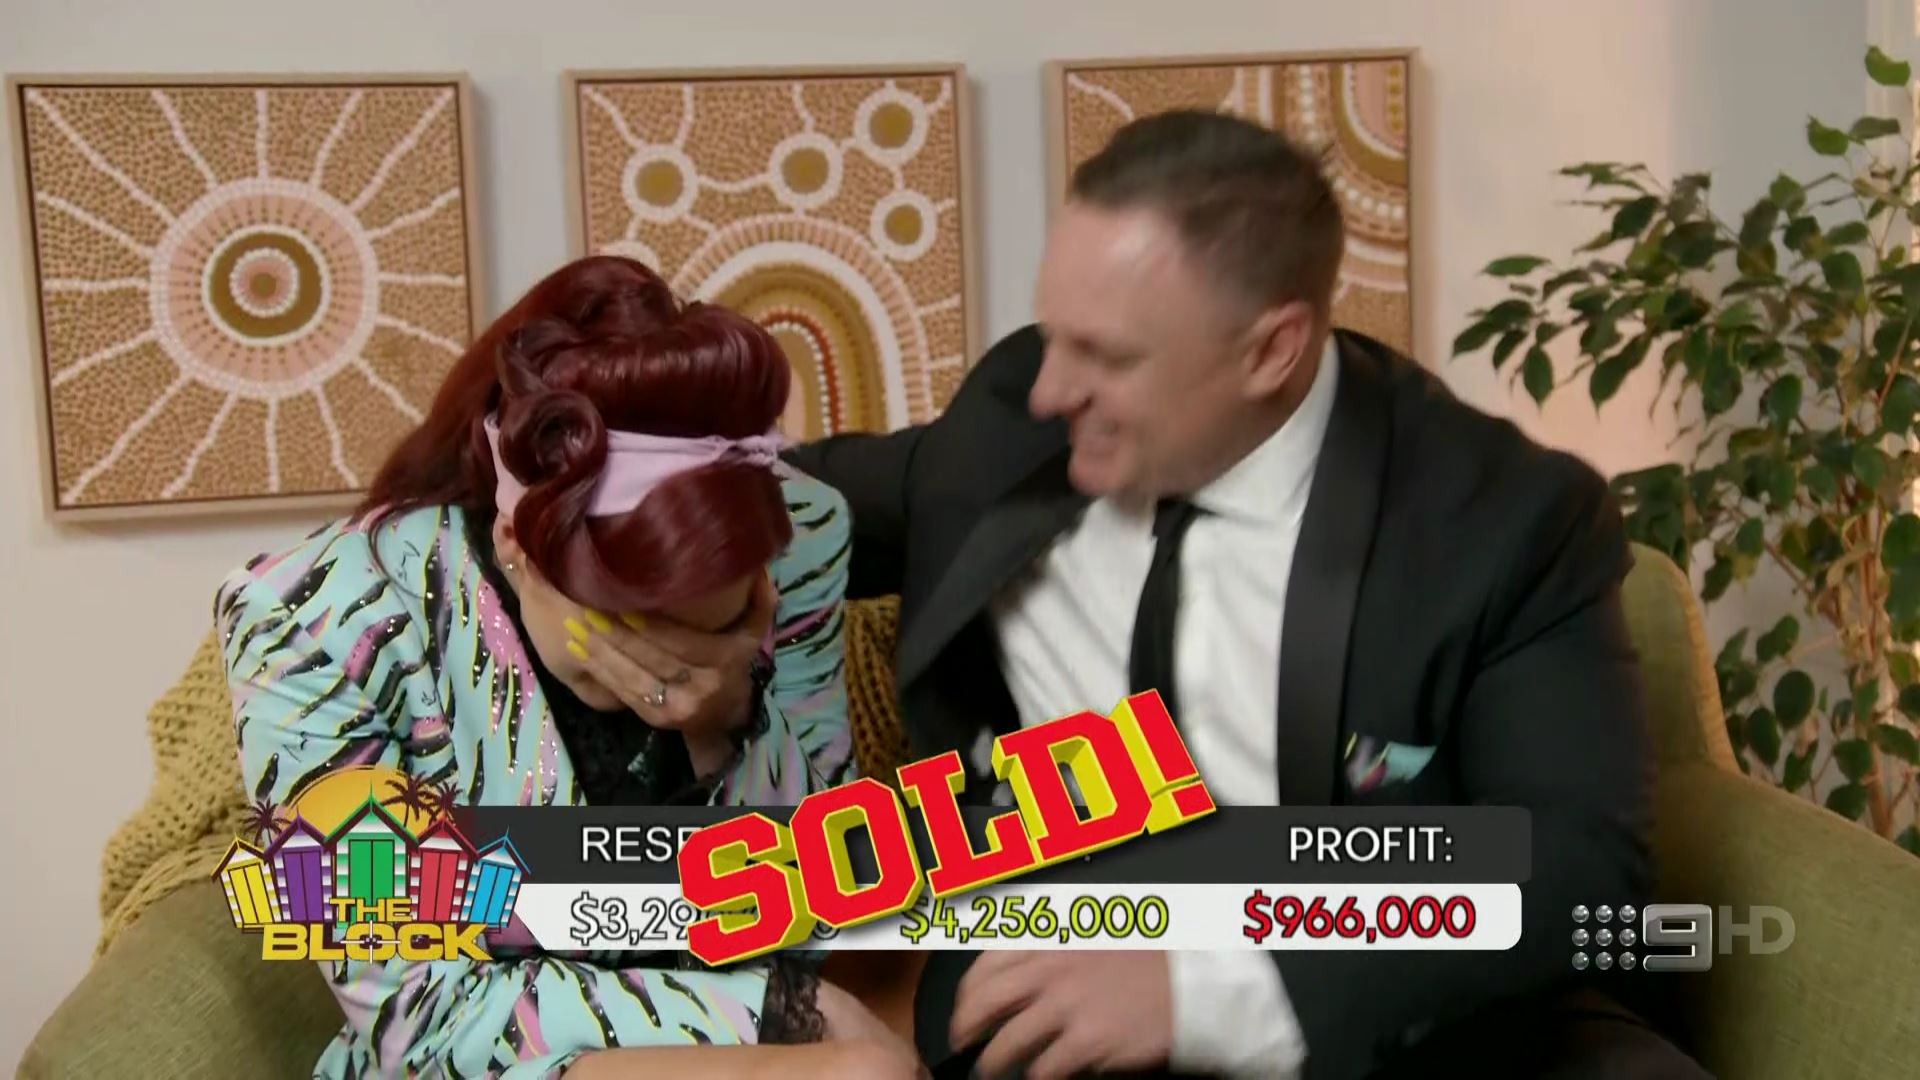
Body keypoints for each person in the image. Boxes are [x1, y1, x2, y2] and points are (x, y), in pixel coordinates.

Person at [773, 112, 1711, 1078]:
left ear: (1271, 351)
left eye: (1111, 356)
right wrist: (667, 601)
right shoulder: (1013, 421)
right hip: (1048, 977)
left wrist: (1209, 995)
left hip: (1376, 1002)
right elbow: (767, 502)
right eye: (1055, 335)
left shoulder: (1500, 518)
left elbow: (1577, 862)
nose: (1050, 390)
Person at [216, 256, 922, 1078]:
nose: (670, 670)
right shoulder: (315, 624)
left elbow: (830, 897)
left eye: (720, 628)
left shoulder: (800, 539)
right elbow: (422, 1017)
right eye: (631, 635)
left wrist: (730, 723)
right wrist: (772, 1011)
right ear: (516, 546)